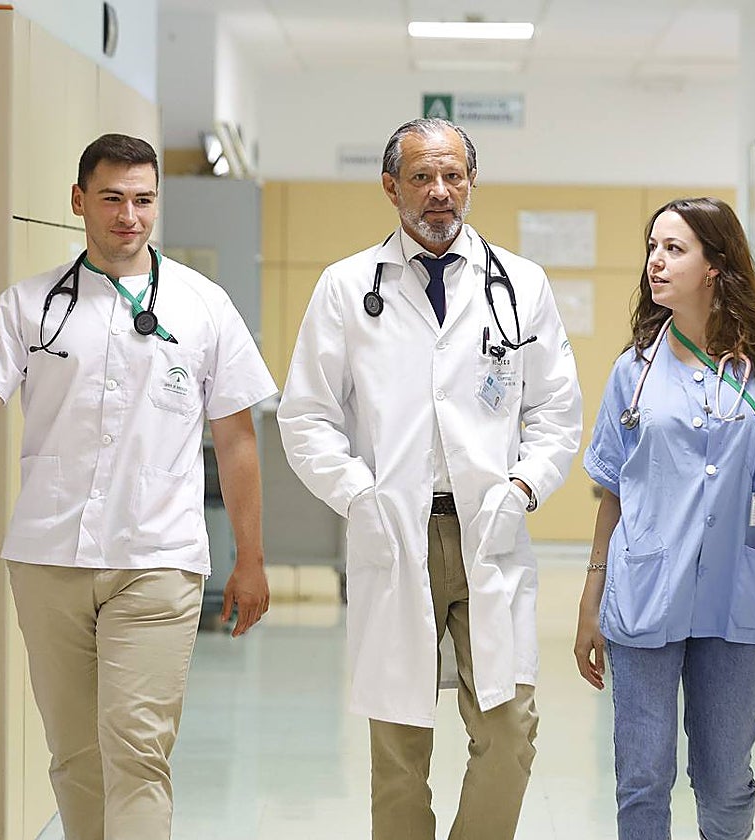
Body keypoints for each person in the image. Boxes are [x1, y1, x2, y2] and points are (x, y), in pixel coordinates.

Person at [0, 134, 277, 840]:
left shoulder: (205, 306)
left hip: (158, 557)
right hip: (50, 555)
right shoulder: (31, 304)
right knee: (77, 755)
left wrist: (250, 557)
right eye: (113, 198)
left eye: (144, 199)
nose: (130, 215)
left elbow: (238, 439)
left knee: (137, 750)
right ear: (79, 201)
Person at [277, 117, 582, 840]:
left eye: (453, 176)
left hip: (491, 531)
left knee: (510, 736)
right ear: (391, 187)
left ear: (471, 182)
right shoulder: (346, 288)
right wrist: (358, 493)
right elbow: (306, 417)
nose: (439, 192)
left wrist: (524, 487)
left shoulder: (520, 285)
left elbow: (557, 411)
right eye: (421, 177)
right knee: (399, 753)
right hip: (392, 529)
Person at [573, 197, 755, 840]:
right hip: (644, 592)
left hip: (736, 592)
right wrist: (592, 598)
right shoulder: (633, 371)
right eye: (651, 247)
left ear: (716, 264)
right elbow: (612, 490)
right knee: (641, 779)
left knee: (725, 782)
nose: (655, 262)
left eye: (674, 249)